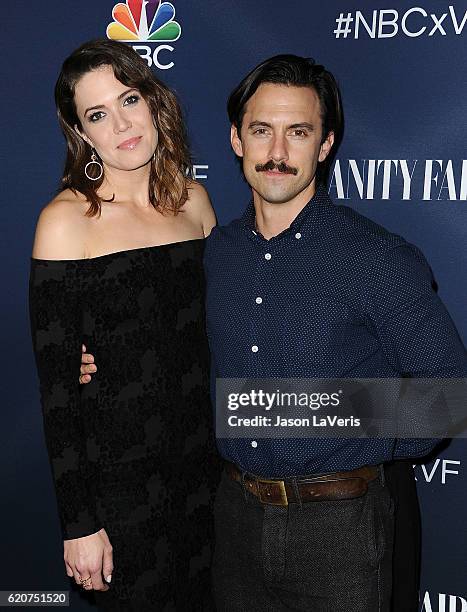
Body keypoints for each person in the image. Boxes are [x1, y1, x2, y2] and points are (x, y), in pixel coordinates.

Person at [79, 55, 466, 610]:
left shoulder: (375, 257)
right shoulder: (219, 252)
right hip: (233, 520)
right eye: (262, 131)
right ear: (237, 140)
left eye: (298, 133)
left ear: (325, 145)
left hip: (341, 529)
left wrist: (327, 423)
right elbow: (175, 350)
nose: (278, 154)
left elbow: (448, 397)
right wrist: (94, 359)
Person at [29, 38, 220, 611]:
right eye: (97, 114)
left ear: (155, 101)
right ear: (81, 133)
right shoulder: (65, 223)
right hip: (119, 485)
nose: (121, 124)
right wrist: (79, 523)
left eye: (128, 99)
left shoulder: (196, 203)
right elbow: (58, 393)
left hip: (205, 475)